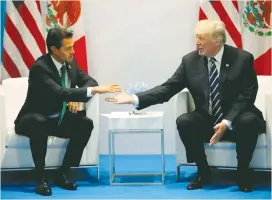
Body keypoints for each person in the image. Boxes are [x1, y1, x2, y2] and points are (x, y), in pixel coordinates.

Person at [105, 19, 266, 192]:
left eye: (201, 38)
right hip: (208, 119)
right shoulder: (190, 61)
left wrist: (227, 122)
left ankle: (242, 172)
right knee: (185, 121)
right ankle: (203, 172)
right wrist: (134, 99)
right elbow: (167, 88)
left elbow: (247, 94)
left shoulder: (242, 58)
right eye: (196, 38)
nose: (197, 42)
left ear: (217, 40)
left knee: (248, 120)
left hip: (237, 119)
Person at [15, 27, 121, 196]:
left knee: (85, 124)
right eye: (68, 48)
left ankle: (62, 173)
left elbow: (90, 81)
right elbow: (59, 92)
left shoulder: (70, 63)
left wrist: (76, 97)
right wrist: (85, 92)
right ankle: (40, 179)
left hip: (57, 119)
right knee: (40, 123)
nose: (73, 51)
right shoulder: (40, 67)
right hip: (32, 119)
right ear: (54, 49)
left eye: (72, 46)